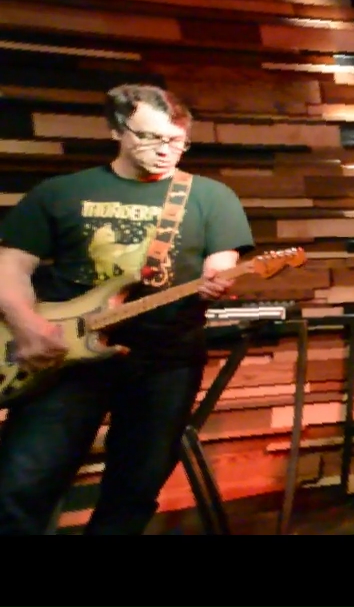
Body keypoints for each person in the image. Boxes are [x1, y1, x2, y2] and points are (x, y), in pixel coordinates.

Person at [0, 84, 254, 535]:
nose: (166, 150)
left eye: (177, 141)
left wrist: (220, 276)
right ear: (116, 130)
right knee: (21, 485)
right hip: (64, 356)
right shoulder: (61, 192)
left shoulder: (211, 196)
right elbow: (10, 266)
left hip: (165, 360)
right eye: (151, 138)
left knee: (134, 491)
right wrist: (27, 326)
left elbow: (222, 260)